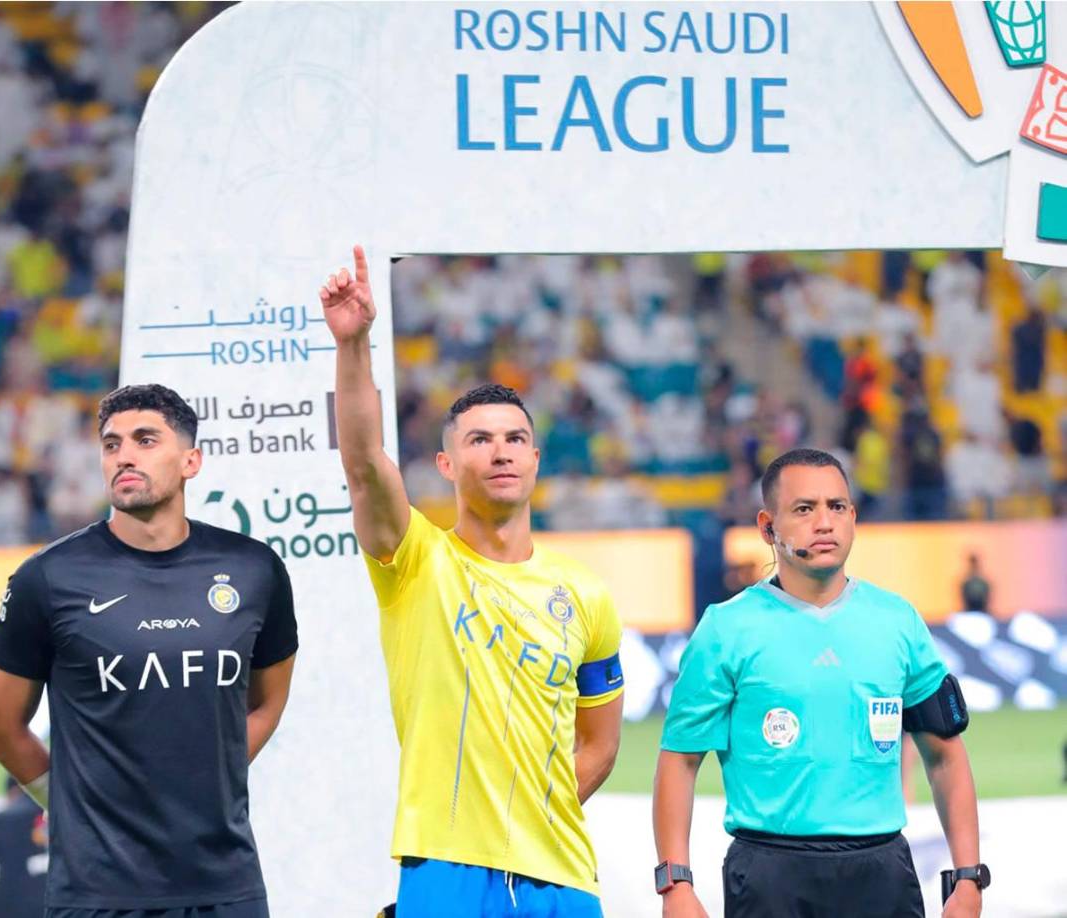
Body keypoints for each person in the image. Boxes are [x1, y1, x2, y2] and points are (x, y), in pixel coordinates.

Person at [320, 248, 625, 917]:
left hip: (562, 874)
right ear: (446, 464)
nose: (501, 451)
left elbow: (601, 744)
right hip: (445, 868)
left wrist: (530, 817)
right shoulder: (415, 561)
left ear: (535, 459)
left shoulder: (586, 595)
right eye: (480, 439)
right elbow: (364, 463)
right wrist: (354, 345)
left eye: (515, 439)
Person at [0, 384, 298, 917]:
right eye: (111, 444)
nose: (124, 456)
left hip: (226, 885)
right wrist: (62, 799)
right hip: (97, 892)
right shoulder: (48, 576)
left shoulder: (254, 569)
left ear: (190, 461)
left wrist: (212, 774)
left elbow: (267, 702)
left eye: (145, 440)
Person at [652, 448, 985, 918]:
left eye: (837, 506)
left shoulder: (898, 622)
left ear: (853, 517)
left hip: (882, 872)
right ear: (768, 527)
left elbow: (945, 755)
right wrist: (675, 885)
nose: (825, 523)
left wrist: (968, 877)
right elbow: (679, 762)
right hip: (770, 875)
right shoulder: (725, 629)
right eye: (804, 509)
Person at [0, 777, 47, 918]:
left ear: (14, 791)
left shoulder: (1, 820)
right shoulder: (69, 816)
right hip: (60, 906)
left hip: (9, 907)